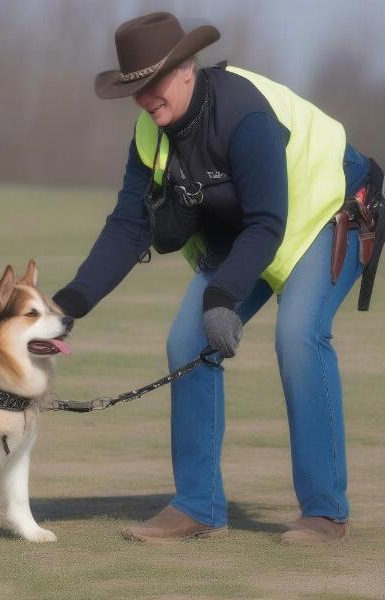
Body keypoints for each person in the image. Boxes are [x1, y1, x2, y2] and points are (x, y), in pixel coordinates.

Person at [52, 12, 382, 545]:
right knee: (187, 339)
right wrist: (67, 304)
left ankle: (325, 511)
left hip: (330, 212)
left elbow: (269, 221)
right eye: (134, 89)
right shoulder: (150, 133)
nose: (144, 99)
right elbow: (127, 226)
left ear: (186, 69)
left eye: (152, 83)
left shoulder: (242, 112)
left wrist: (223, 298)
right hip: (251, 230)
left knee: (299, 337)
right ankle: (198, 506)